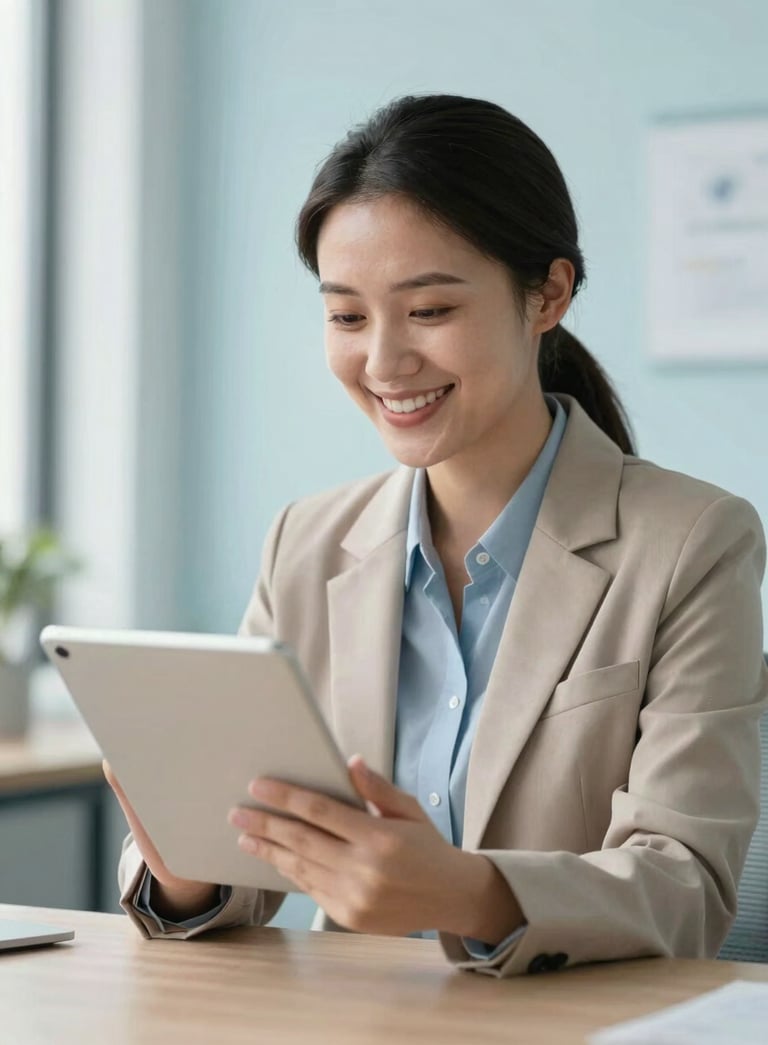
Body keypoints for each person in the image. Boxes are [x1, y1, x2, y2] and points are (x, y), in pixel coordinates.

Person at [107, 94, 767, 978]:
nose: (383, 361)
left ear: (549, 295)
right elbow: (253, 861)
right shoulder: (304, 543)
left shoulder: (694, 543)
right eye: (347, 316)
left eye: (428, 311)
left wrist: (465, 890)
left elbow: (687, 888)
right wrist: (184, 869)